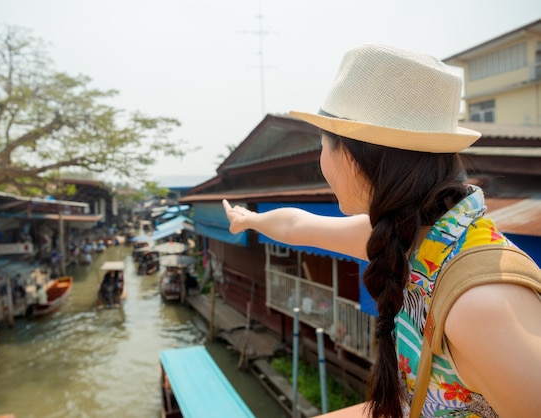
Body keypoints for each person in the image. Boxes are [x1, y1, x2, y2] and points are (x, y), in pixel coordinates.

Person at [222, 44, 541, 418]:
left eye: (323, 143)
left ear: (353, 157)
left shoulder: (479, 304)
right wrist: (249, 220)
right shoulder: (415, 234)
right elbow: (297, 224)